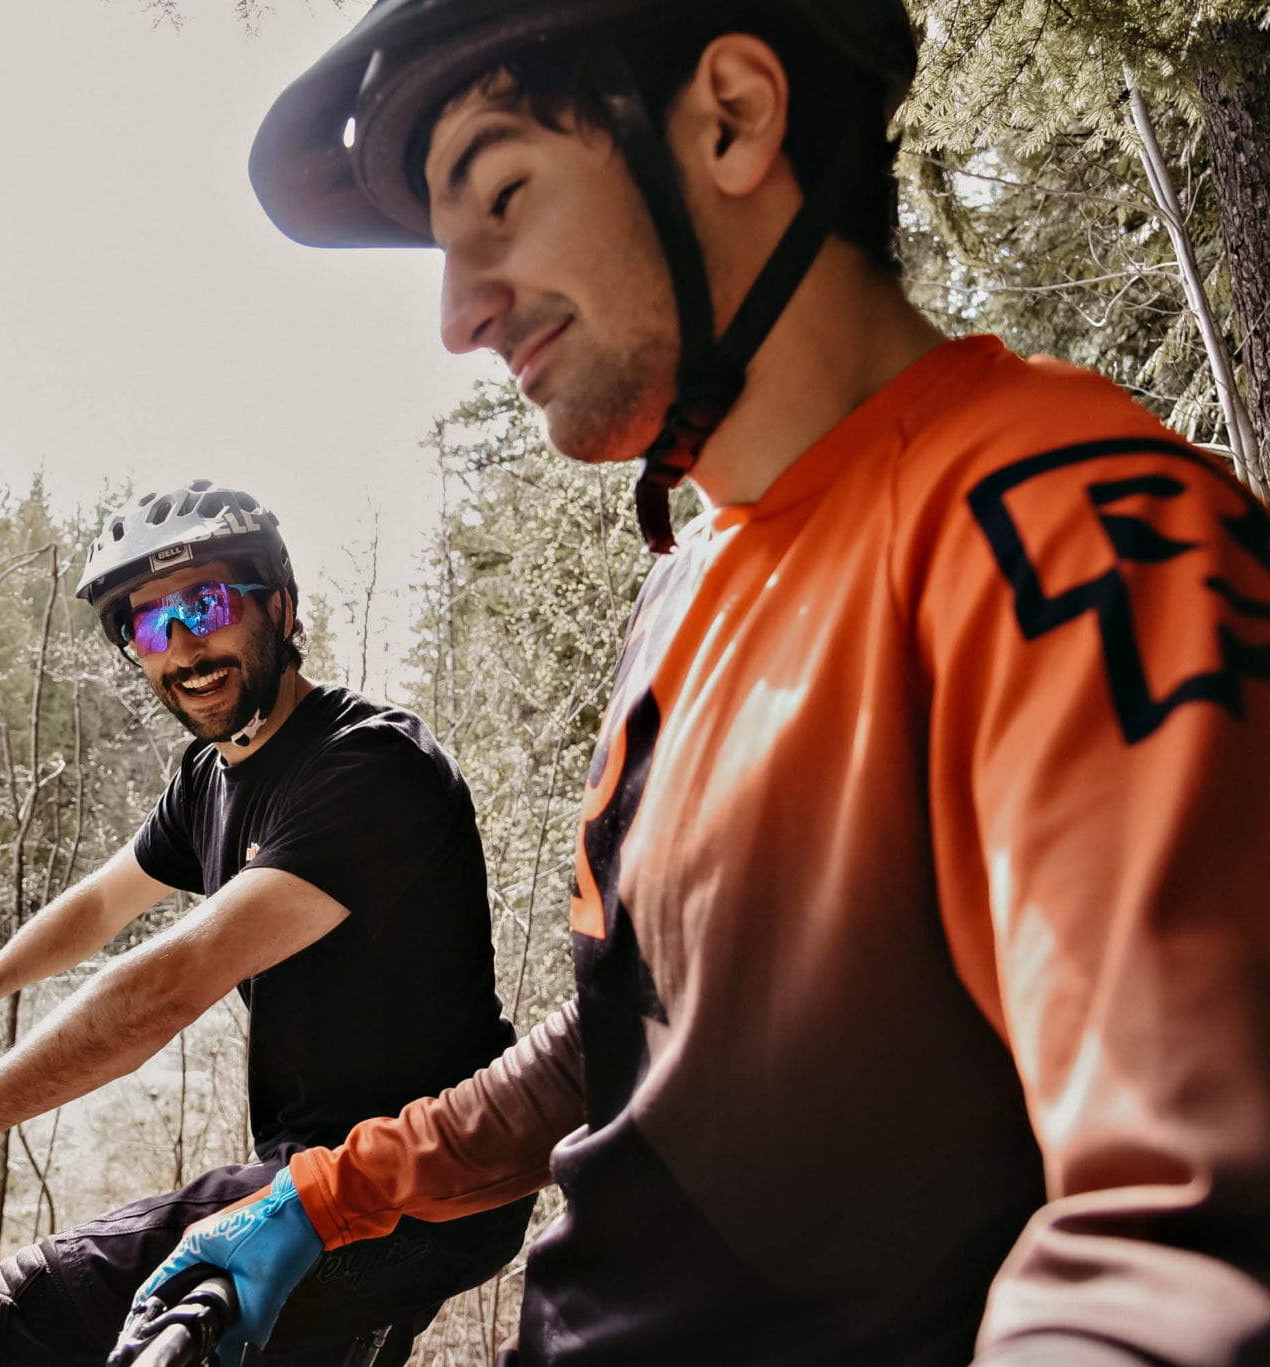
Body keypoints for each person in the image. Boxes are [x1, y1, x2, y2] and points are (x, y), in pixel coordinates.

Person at [125, 3, 1270, 1364]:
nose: (458, 311)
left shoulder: (1074, 535)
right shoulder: (692, 578)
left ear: (731, 115)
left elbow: (1187, 1240)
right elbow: (641, 1034)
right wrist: (327, 1191)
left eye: (501, 194)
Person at [0, 481, 535, 1365]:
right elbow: (99, 905)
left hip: (416, 1182)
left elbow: (164, 987)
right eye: (149, 626)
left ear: (278, 606)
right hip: (316, 1173)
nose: (183, 645)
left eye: (206, 604)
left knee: (7, 1324)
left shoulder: (369, 766)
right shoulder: (210, 777)